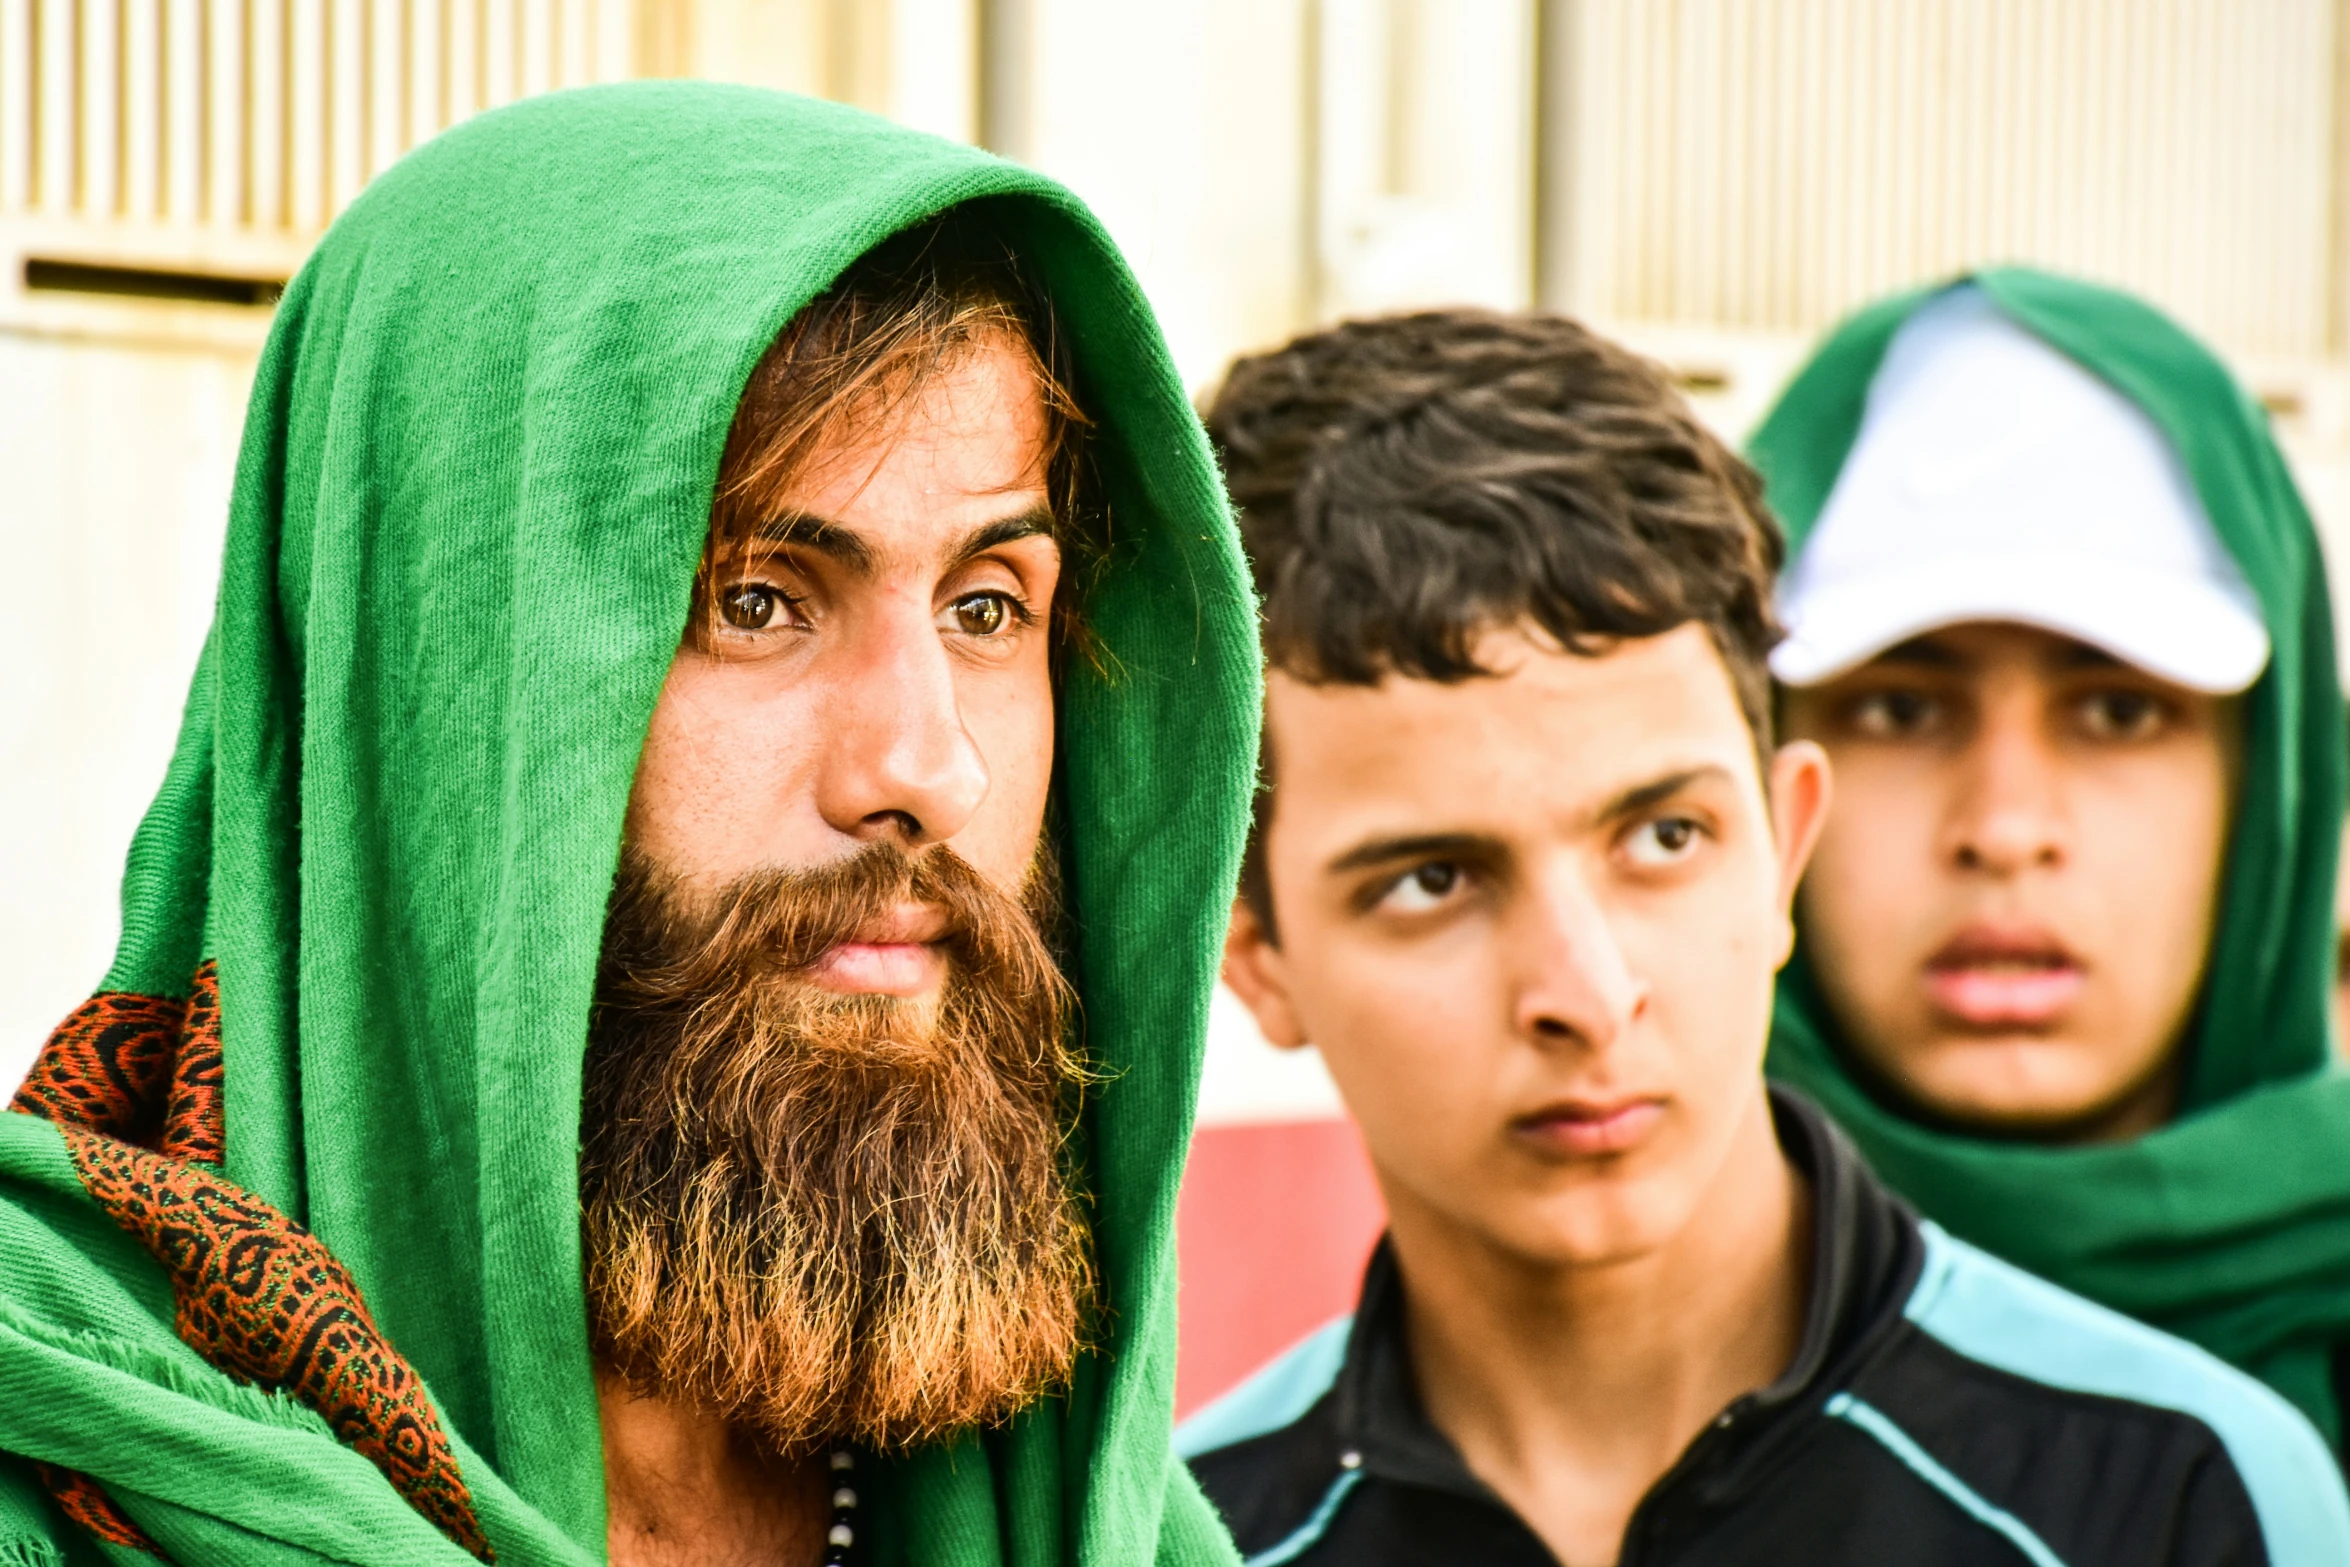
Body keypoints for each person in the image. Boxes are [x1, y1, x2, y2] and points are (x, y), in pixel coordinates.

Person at [0, 83, 1261, 1567]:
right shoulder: (69, 1499)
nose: (928, 770)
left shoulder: (1100, 1531)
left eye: (987, 608)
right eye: (753, 600)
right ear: (427, 688)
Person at [1179, 309, 2350, 1565]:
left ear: (1786, 847)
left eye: (1664, 836)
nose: (1586, 990)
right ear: (1252, 950)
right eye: (1430, 880)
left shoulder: (2184, 1494)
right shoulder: (1173, 1540)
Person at [1754, 272, 2350, 1454]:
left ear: (2271, 785)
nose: (2006, 824)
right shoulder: (1583, 1370)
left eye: (2119, 710)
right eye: (1896, 708)